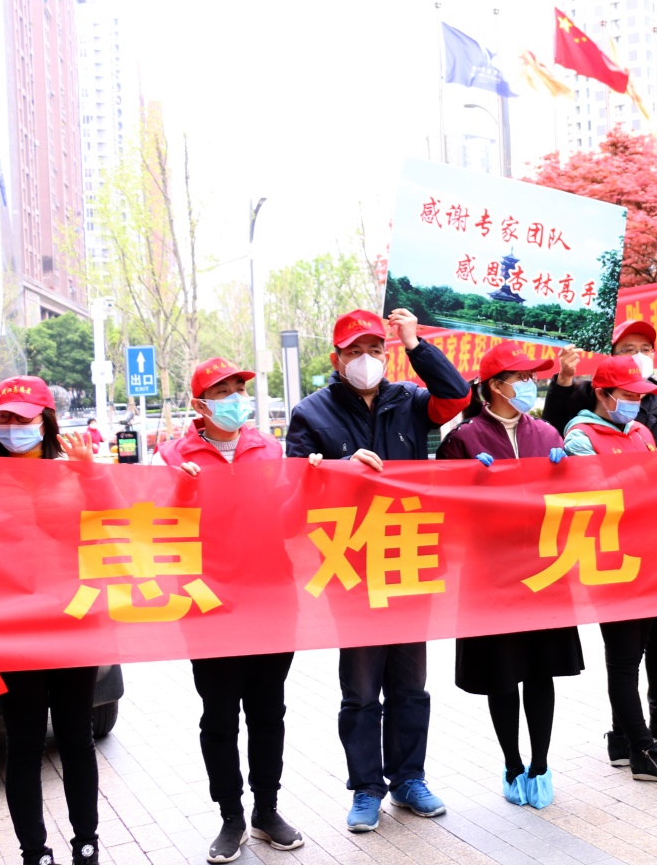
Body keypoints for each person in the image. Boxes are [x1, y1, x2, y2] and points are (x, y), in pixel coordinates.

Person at [285, 307, 468, 832]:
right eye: (354, 351)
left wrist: (416, 344)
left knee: (411, 685)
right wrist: (342, 471)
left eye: (374, 349)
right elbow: (295, 491)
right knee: (362, 690)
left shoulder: (409, 400)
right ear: (336, 358)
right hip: (352, 567)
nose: (365, 359)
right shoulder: (311, 413)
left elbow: (456, 396)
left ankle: (409, 779)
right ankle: (366, 788)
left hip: (408, 559)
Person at [152, 358, 304, 862]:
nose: (236, 397)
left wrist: (316, 483)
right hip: (208, 603)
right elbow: (154, 525)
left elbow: (287, 518)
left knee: (269, 711)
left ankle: (267, 809)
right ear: (199, 404)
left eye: (240, 387)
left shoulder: (268, 448)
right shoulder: (172, 456)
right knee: (219, 715)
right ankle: (231, 816)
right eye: (223, 391)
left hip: (271, 599)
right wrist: (179, 490)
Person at [438, 342, 581, 809]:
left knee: (540, 670)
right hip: (491, 574)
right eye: (520, 377)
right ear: (495, 386)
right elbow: (442, 505)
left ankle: (540, 764)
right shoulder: (464, 439)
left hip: (543, 571)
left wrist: (568, 469)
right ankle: (512, 764)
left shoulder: (547, 433)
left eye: (531, 377)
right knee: (502, 673)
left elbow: (575, 497)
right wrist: (463, 476)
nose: (528, 385)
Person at [542, 320, 657, 749]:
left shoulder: (639, 431)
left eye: (640, 397)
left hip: (651, 552)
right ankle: (638, 746)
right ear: (602, 394)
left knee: (646, 645)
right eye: (627, 396)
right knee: (624, 658)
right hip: (611, 558)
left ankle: (626, 737)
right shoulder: (580, 435)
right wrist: (646, 474)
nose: (636, 404)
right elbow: (596, 492)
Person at [0, 377, 99, 865]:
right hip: (10, 630)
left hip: (74, 623)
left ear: (45, 421)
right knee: (24, 744)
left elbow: (115, 526)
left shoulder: (72, 471)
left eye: (22, 417)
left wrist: (89, 475)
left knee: (76, 739)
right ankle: (35, 852)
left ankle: (86, 843)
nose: (12, 427)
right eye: (3, 418)